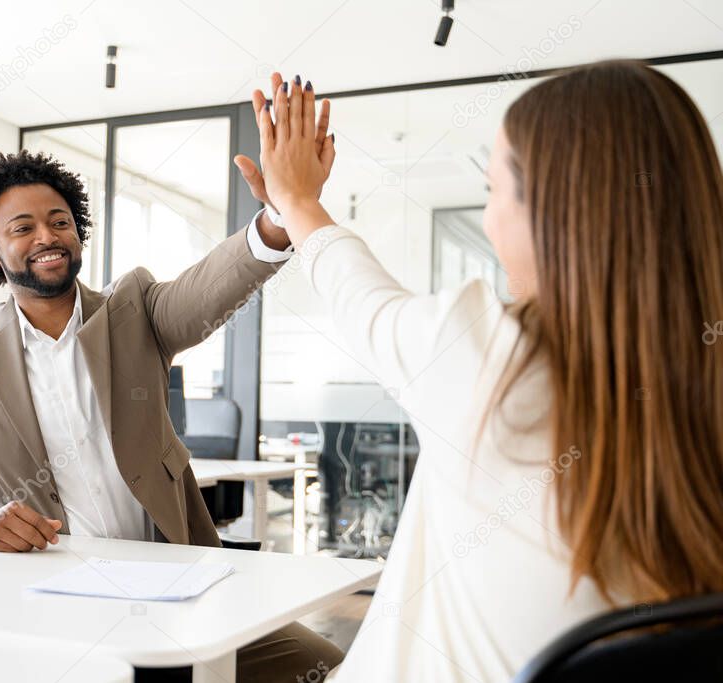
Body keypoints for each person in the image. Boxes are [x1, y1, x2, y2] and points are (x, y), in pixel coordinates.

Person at [252, 62, 723, 681]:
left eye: (493, 190)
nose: (488, 219)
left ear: (555, 212)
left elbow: (358, 295)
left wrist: (296, 197)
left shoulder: (489, 357)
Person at [0, 90, 343, 681]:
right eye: (23, 228)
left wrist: (281, 216)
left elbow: (209, 287)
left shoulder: (135, 310)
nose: (48, 235)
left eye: (60, 221)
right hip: (52, 597)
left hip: (182, 585)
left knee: (329, 668)